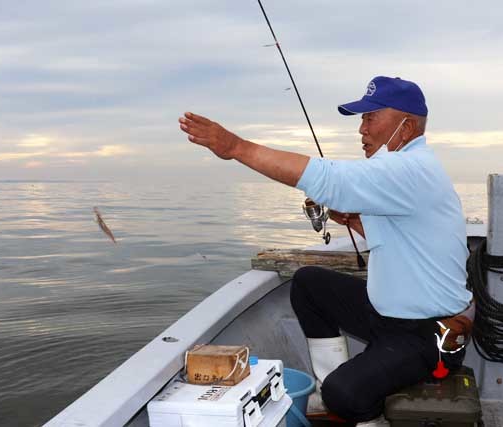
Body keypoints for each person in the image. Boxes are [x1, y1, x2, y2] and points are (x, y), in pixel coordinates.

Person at [179, 76, 472, 427]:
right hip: (389, 317)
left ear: (406, 127)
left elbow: (329, 178)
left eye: (370, 118)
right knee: (308, 283)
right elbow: (406, 236)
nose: (361, 129)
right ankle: (328, 382)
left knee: (345, 395)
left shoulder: (408, 168)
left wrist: (236, 147)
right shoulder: (406, 170)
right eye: (361, 119)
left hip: (428, 335)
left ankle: (359, 410)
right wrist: (354, 219)